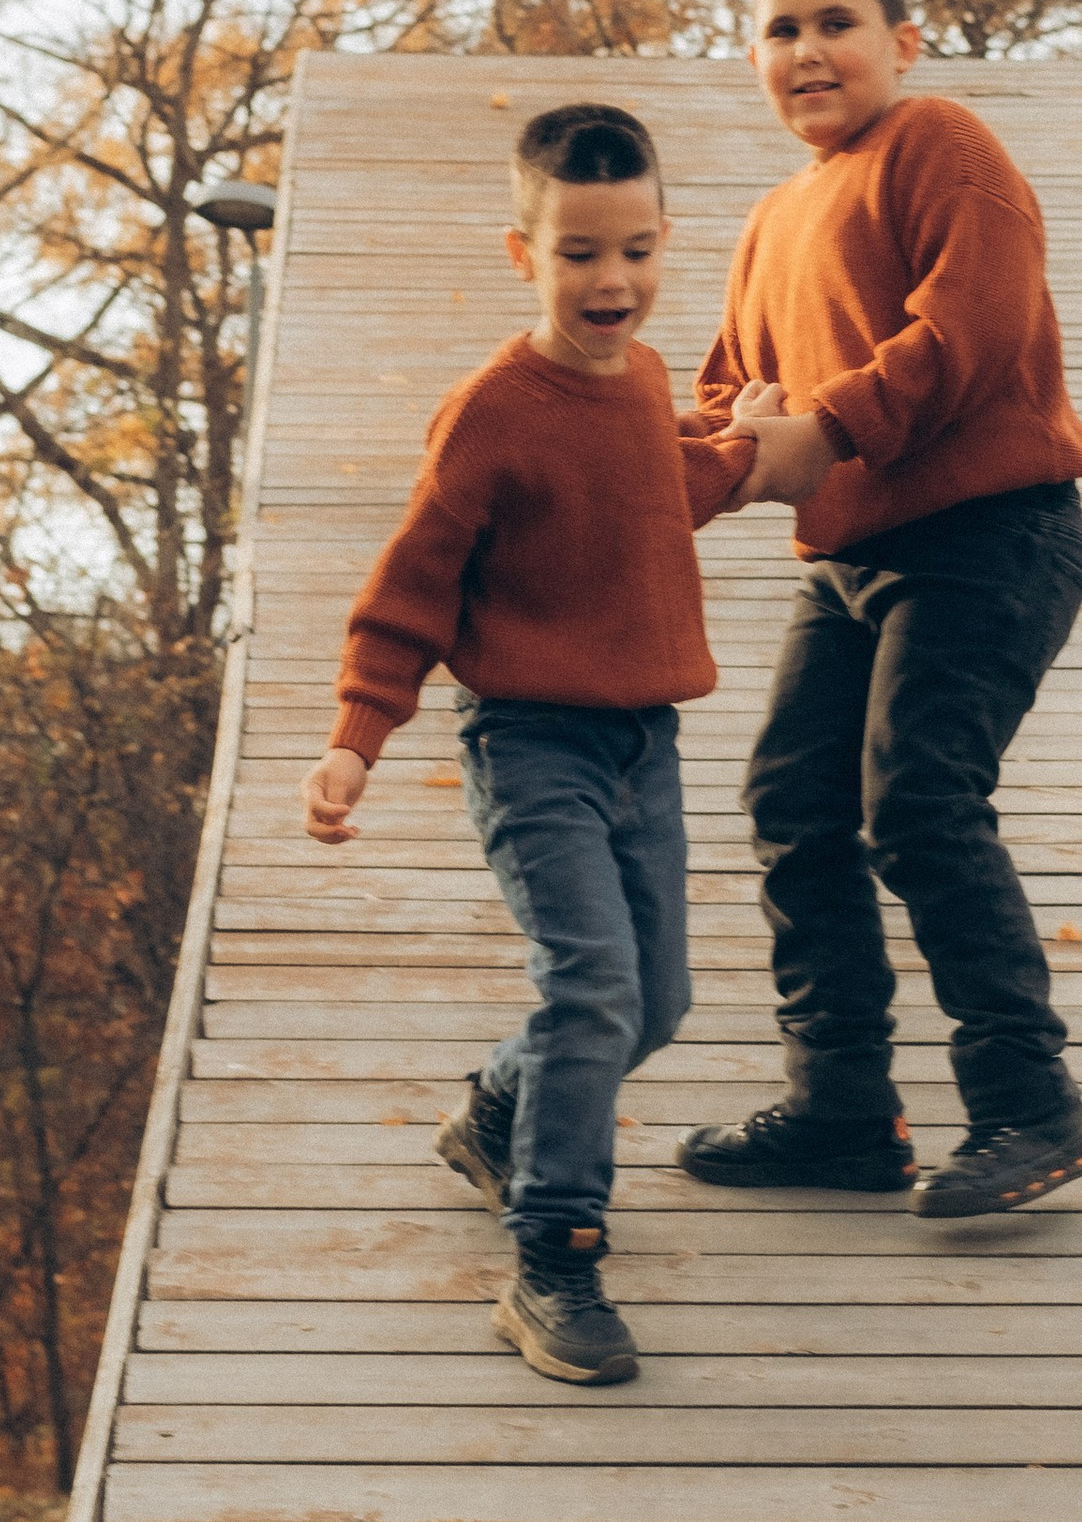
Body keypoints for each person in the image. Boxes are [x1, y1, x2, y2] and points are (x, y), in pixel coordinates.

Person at [300, 101, 768, 1386]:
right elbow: (412, 585)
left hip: (643, 743)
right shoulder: (492, 411)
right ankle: (553, 1256)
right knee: (593, 984)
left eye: (633, 250)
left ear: (665, 240)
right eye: (577, 254)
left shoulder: (652, 382)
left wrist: (742, 455)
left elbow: (655, 496)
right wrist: (357, 736)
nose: (609, 281)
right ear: (525, 254)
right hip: (529, 744)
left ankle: (499, 1112)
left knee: (654, 999)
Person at [675, 0, 1082, 1221]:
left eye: (835, 22)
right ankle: (844, 1111)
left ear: (901, 42)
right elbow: (719, 392)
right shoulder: (770, 221)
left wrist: (829, 427)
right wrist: (727, 431)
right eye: (779, 29)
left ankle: (1031, 1104)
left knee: (918, 796)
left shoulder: (941, 148)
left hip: (993, 533)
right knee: (793, 804)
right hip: (853, 559)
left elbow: (968, 330)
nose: (806, 49)